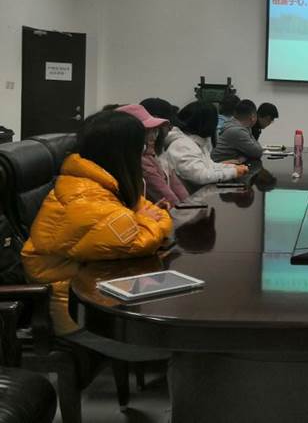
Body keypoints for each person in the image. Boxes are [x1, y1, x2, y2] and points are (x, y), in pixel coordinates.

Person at [21, 110, 172, 358]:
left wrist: (142, 218)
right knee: (182, 347)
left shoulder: (99, 182)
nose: (144, 153)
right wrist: (146, 220)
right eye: (140, 148)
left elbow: (145, 210)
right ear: (121, 153)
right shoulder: (85, 197)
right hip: (81, 317)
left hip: (101, 296)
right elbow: (136, 242)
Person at [165, 101, 248, 192]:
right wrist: (234, 172)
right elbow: (201, 176)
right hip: (190, 197)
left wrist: (232, 168)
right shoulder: (182, 145)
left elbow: (209, 166)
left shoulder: (195, 141)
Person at [118, 103, 189, 207]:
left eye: (155, 131)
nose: (153, 137)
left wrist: (189, 206)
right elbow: (166, 196)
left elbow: (177, 187)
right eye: (146, 132)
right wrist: (186, 210)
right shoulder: (140, 161)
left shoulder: (154, 154)